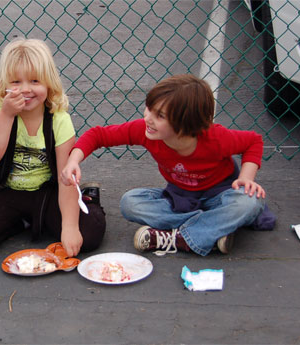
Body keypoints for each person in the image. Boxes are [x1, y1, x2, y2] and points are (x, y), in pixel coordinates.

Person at [61, 74, 271, 256]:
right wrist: (73, 160)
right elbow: (98, 135)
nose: (148, 118)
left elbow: (253, 141)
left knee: (250, 202)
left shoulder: (216, 138)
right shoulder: (146, 130)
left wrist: (246, 178)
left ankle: (179, 237)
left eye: (159, 115)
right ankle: (212, 228)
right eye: (149, 109)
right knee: (130, 203)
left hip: (221, 196)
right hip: (181, 199)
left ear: (186, 124)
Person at [0, 38, 106, 257]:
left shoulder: (59, 119)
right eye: (16, 81)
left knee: (90, 234)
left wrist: (70, 226)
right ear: (5, 84)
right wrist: (6, 115)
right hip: (7, 190)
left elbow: (65, 179)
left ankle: (83, 201)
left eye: (35, 81)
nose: (26, 89)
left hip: (48, 192)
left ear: (48, 83)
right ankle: (24, 221)